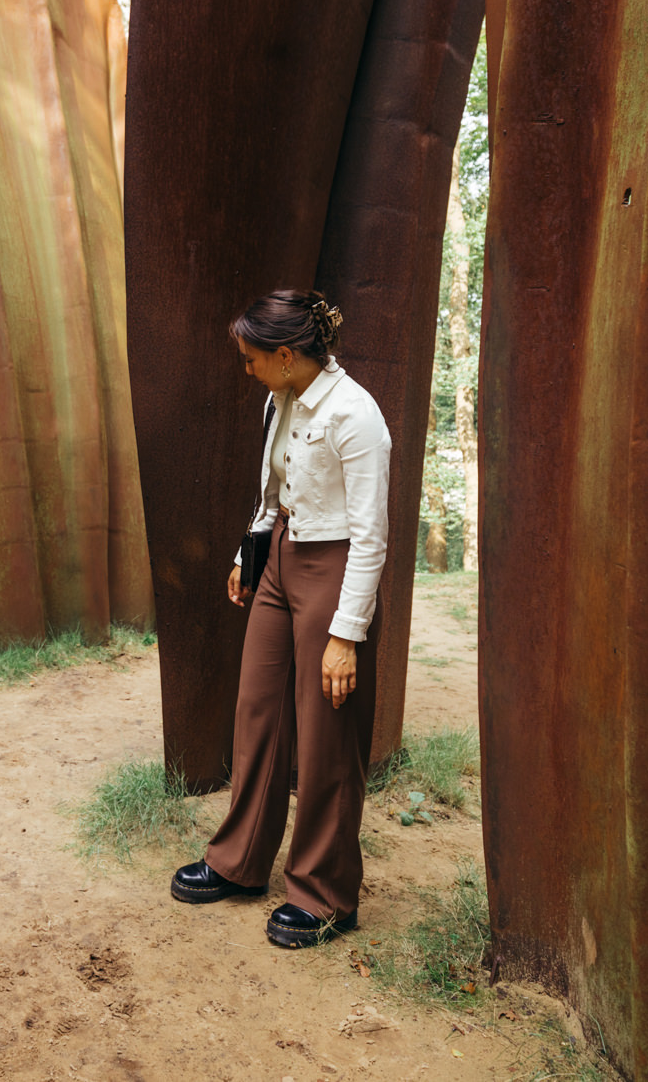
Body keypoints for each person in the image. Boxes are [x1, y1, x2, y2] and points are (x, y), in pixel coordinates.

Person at [170, 290, 391, 948]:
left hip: (335, 569)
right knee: (258, 710)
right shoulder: (281, 399)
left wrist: (346, 635)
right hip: (283, 560)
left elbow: (371, 533)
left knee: (326, 731)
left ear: (287, 355)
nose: (247, 369)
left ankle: (324, 894)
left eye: (252, 358)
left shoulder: (356, 415)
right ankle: (239, 862)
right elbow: (275, 491)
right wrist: (251, 546)